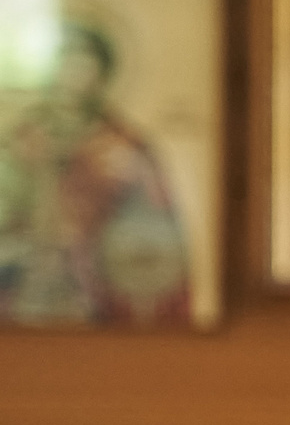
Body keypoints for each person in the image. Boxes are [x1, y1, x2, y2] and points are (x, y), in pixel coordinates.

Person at [0, 20, 190, 327]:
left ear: (102, 74)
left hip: (97, 299)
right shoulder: (20, 143)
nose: (71, 73)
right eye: (64, 59)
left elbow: (155, 245)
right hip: (18, 296)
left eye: (82, 63)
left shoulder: (126, 153)